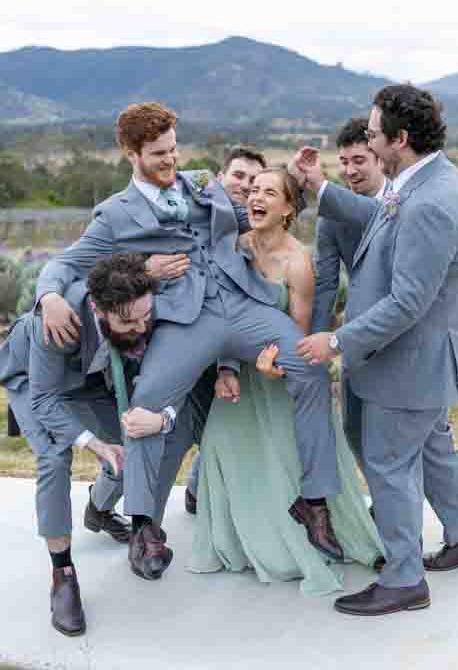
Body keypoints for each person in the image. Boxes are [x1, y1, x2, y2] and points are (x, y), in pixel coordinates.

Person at [34, 102, 342, 581]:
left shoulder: (201, 183)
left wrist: (304, 182)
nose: (171, 160)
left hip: (241, 304)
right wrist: (50, 295)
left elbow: (263, 208)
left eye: (175, 149)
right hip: (184, 321)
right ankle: (142, 528)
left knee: (308, 363)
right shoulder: (115, 216)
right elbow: (68, 263)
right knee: (145, 409)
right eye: (159, 153)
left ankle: (315, 500)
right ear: (131, 153)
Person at [291, 84, 458, 617]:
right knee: (432, 450)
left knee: (388, 463)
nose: (370, 139)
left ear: (400, 140)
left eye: (376, 134)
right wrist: (323, 189)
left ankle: (405, 579)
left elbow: (408, 300)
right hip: (423, 360)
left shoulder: (429, 201)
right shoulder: (425, 179)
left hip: (410, 364)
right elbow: (382, 220)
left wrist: (337, 340)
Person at [0, 253, 215, 636]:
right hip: (34, 382)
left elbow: (169, 379)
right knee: (54, 458)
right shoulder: (59, 319)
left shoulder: (138, 315)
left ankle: (99, 510)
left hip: (87, 380)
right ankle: (63, 575)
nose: (141, 328)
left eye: (146, 318)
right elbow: (45, 401)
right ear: (97, 308)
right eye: (129, 322)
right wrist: (93, 444)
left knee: (132, 443)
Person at [189, 167, 383, 595]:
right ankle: (242, 539)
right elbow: (222, 314)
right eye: (253, 190)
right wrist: (226, 367)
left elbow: (295, 332)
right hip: (238, 371)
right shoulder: (233, 248)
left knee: (287, 453)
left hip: (278, 375)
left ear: (288, 209)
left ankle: (311, 520)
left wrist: (269, 360)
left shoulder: (298, 263)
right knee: (221, 444)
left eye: (269, 192)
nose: (256, 197)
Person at [185, 145, 268, 514]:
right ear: (220, 178)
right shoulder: (194, 211)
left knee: (220, 426)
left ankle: (197, 491)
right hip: (181, 339)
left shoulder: (256, 237)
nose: (245, 185)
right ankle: (105, 501)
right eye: (238, 176)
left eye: (254, 181)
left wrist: (228, 364)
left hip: (230, 348)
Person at [312, 118, 389, 465]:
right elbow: (327, 283)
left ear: (380, 159)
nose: (350, 170)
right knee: (353, 428)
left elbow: (376, 216)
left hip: (404, 333)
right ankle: (387, 499)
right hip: (357, 336)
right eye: (343, 162)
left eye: (359, 160)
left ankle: (397, 507)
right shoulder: (331, 217)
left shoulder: (401, 202)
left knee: (405, 434)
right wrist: (317, 339)